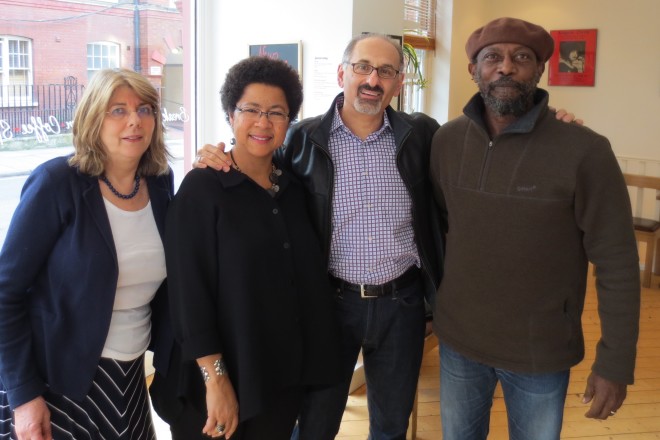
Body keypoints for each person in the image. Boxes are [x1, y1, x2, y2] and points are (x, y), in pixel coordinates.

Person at [195, 33, 580, 440]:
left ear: (399, 83)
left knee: (392, 423)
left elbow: (490, 142)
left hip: (403, 305)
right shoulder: (301, 140)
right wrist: (216, 158)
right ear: (343, 73)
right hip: (329, 303)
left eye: (386, 71)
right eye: (362, 67)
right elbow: (259, 182)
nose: (372, 80)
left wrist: (548, 127)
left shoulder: (424, 136)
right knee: (314, 422)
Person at [429, 17, 640, 440]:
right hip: (459, 342)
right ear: (473, 70)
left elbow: (617, 262)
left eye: (521, 57)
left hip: (540, 350)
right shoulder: (446, 142)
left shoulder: (585, 151)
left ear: (540, 69)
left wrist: (615, 363)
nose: (506, 67)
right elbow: (439, 230)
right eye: (492, 57)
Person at [163, 56, 341, 440]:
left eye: (277, 113)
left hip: (278, 379)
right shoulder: (202, 190)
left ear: (289, 121)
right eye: (251, 110)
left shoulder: (293, 189)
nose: (263, 123)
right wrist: (216, 381)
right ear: (230, 114)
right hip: (215, 385)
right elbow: (188, 296)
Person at [0, 68, 175, 440]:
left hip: (130, 376)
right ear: (93, 118)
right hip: (57, 380)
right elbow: (5, 293)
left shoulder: (160, 183)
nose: (134, 120)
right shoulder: (56, 184)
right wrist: (24, 396)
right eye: (118, 110)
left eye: (145, 109)